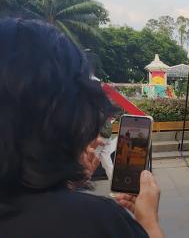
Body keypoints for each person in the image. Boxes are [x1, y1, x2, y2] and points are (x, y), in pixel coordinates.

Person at [0, 18, 164, 238]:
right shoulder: (98, 221)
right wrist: (149, 222)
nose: (94, 140)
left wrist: (67, 185)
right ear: (61, 116)